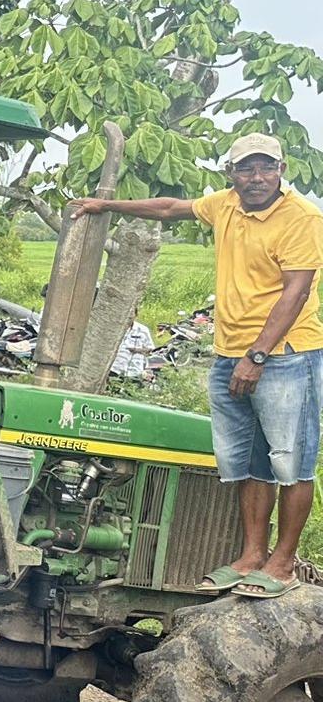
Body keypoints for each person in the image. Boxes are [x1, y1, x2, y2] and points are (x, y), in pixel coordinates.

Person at [69, 131, 323, 598]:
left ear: (281, 170)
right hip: (230, 352)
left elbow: (297, 290)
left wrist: (257, 355)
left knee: (291, 462)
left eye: (266, 167)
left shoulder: (302, 217)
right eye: (246, 168)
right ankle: (252, 555)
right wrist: (106, 206)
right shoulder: (225, 204)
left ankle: (283, 563)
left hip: (285, 355)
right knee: (247, 461)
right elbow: (170, 208)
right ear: (231, 173)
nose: (257, 177)